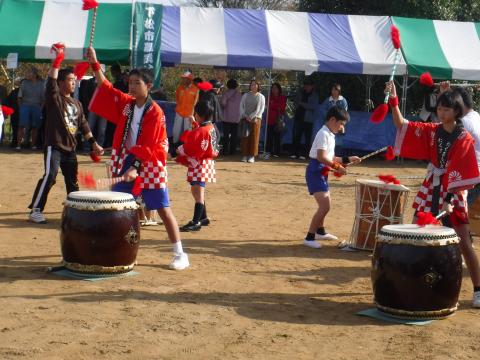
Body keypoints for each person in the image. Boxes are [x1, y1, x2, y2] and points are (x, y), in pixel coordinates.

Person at [86, 46, 189, 271]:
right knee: (119, 207)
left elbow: (150, 145)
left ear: (148, 86)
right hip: (128, 159)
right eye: (130, 82)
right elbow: (107, 88)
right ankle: (117, 249)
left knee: (162, 208)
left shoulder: (155, 113)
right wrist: (95, 63)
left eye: (137, 83)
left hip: (151, 162)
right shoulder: (127, 105)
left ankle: (180, 253)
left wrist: (136, 167)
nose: (131, 86)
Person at [386, 80, 480, 308]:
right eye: (439, 108)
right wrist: (394, 99)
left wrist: (448, 200)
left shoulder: (463, 138)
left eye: (446, 109)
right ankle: (413, 283)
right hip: (432, 186)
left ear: (456, 111)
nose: (441, 112)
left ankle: (478, 289)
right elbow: (402, 125)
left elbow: (460, 172)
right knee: (418, 233)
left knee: (464, 241)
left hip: (454, 191)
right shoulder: (432, 131)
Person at [28, 44, 103, 224]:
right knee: (50, 175)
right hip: (54, 145)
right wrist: (58, 60)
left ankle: (75, 209)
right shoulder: (54, 98)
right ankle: (36, 209)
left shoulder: (77, 103)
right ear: (61, 83)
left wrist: (93, 143)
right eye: (70, 79)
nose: (74, 82)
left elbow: (83, 124)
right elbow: (51, 82)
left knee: (72, 180)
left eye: (74, 79)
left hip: (70, 148)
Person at [304, 106, 360, 248]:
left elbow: (331, 157)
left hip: (321, 171)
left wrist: (348, 159)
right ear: (332, 120)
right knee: (325, 205)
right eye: (341, 124)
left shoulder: (329, 134)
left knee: (325, 204)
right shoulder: (323, 133)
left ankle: (320, 232)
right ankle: (309, 237)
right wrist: (337, 167)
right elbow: (321, 157)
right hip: (315, 171)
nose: (341, 128)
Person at [176, 100, 219, 232]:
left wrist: (180, 150)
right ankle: (203, 217)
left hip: (200, 163)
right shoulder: (210, 127)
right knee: (197, 190)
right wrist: (194, 123)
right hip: (206, 162)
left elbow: (193, 147)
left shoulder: (202, 130)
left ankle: (196, 221)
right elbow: (200, 135)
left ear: (200, 115)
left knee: (197, 191)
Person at [453, 86, 480, 207]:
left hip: (469, 175)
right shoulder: (476, 116)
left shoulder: (464, 122)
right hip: (475, 173)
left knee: (456, 217)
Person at [17, 66, 45, 150]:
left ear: (34, 74)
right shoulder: (24, 83)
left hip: (37, 106)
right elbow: (19, 97)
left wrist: (41, 109)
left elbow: (44, 99)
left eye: (29, 72)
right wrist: (21, 108)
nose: (27, 74)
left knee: (35, 127)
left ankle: (33, 145)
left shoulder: (42, 84)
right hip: (25, 106)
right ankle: (18, 145)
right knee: (21, 126)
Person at [290, 77, 318, 160]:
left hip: (308, 120)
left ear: (312, 86)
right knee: (296, 136)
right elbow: (295, 103)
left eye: (309, 85)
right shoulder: (300, 92)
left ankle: (305, 154)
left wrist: (301, 103)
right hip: (298, 117)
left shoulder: (315, 95)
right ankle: (295, 153)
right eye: (305, 85)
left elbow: (313, 106)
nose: (307, 86)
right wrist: (297, 105)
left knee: (307, 138)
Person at [239, 79, 265, 163]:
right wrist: (245, 116)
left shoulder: (261, 96)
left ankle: (252, 156)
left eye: (255, 84)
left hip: (256, 119)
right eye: (251, 84)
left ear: (258, 86)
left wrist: (253, 116)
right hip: (245, 119)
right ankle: (245, 155)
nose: (253, 86)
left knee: (254, 137)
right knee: (245, 137)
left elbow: (261, 109)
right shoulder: (245, 95)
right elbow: (241, 106)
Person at [173, 71, 199, 154]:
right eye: (182, 78)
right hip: (179, 112)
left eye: (184, 78)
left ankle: (185, 150)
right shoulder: (179, 88)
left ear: (189, 80)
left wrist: (192, 114)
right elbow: (177, 99)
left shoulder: (195, 89)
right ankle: (174, 149)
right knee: (176, 131)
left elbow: (196, 103)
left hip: (189, 114)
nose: (183, 80)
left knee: (187, 132)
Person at [79, 76, 107, 150]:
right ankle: (86, 147)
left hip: (104, 110)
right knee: (89, 128)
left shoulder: (107, 82)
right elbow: (86, 95)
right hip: (93, 109)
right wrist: (89, 105)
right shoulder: (89, 82)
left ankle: (99, 148)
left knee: (102, 130)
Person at [220, 79, 242, 155]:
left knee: (226, 135)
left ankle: (225, 150)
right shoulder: (239, 94)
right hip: (236, 118)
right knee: (234, 135)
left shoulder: (226, 93)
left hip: (226, 117)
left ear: (228, 85)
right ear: (236, 86)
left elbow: (223, 103)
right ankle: (233, 150)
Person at [265, 82, 287, 159]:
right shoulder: (269, 97)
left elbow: (282, 108)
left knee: (277, 136)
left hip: (279, 120)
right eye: (273, 88)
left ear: (279, 89)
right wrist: (276, 105)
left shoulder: (283, 97)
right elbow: (268, 106)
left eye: (275, 88)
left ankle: (277, 152)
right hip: (270, 119)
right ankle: (268, 151)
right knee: (269, 136)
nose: (274, 89)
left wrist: (273, 104)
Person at [4, 79, 20, 148]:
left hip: (15, 111)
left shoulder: (14, 91)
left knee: (16, 127)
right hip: (15, 112)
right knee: (16, 127)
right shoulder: (14, 92)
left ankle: (15, 142)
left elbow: (7, 101)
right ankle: (15, 142)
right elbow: (8, 101)